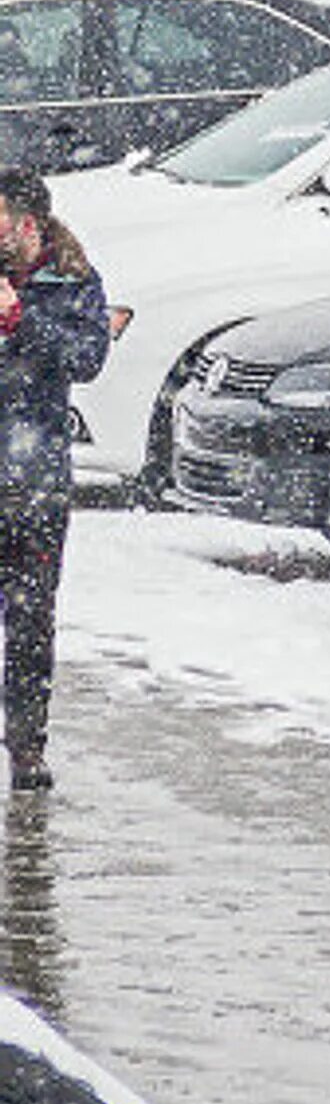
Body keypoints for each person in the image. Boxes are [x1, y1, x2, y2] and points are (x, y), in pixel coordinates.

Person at [0, 169, 109, 792]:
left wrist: (23, 324)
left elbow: (87, 359)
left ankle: (26, 746)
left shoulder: (72, 280)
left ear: (29, 224)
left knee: (31, 619)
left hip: (34, 481)